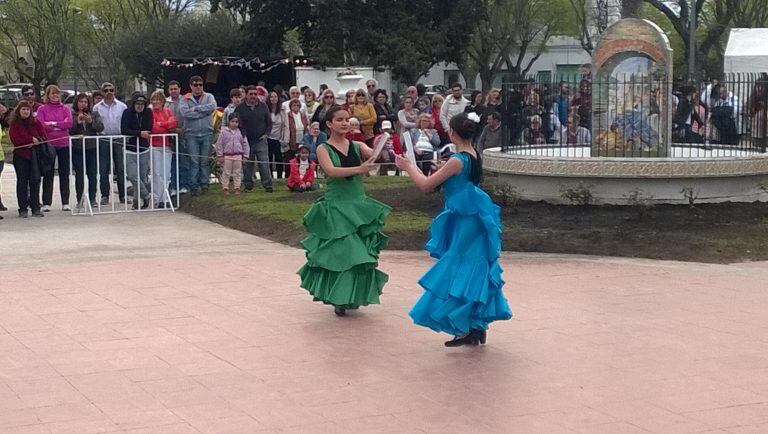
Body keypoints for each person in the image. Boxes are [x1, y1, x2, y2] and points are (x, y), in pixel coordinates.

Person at [395, 112, 512, 347]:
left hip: (465, 218)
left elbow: (426, 185)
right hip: (474, 215)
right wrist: (444, 170)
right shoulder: (472, 154)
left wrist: (408, 166)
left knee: (459, 267)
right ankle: (475, 326)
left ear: (452, 133)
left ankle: (465, 327)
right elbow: (458, 179)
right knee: (474, 267)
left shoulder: (457, 160)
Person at [298, 105, 389, 316]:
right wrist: (360, 169)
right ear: (329, 124)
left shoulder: (357, 145)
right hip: (337, 206)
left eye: (347, 119)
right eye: (339, 119)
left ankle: (352, 295)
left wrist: (382, 149)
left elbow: (376, 156)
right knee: (342, 254)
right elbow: (331, 171)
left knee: (359, 255)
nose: (345, 123)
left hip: (358, 205)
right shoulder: (323, 148)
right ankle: (339, 297)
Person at [37, 84, 74, 212]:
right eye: (52, 93)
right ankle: (47, 202)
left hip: (63, 143)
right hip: (49, 144)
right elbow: (41, 125)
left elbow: (68, 123)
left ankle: (65, 202)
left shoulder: (65, 108)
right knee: (48, 173)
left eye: (57, 93)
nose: (55, 96)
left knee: (64, 173)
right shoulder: (42, 109)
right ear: (48, 95)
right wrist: (59, 125)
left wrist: (52, 123)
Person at [8, 101, 47, 218]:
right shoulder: (15, 124)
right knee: (22, 183)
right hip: (21, 156)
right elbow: (16, 139)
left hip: (35, 156)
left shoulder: (36, 122)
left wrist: (37, 141)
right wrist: (30, 140)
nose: (25, 112)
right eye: (23, 109)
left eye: (27, 109)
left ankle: (35, 208)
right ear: (19, 111)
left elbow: (43, 136)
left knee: (35, 181)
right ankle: (23, 209)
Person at [180, 76, 217, 195]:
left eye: (200, 84)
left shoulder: (209, 96)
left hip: (207, 132)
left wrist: (196, 109)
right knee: (194, 161)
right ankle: (194, 186)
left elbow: (212, 107)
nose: (198, 87)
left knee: (204, 161)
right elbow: (186, 114)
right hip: (191, 134)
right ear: (191, 86)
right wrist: (203, 113)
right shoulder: (185, 99)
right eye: (195, 85)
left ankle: (205, 185)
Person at [93, 82, 127, 205]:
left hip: (118, 139)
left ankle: (123, 196)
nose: (109, 92)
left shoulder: (122, 106)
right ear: (102, 92)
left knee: (120, 169)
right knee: (104, 169)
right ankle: (105, 195)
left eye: (111, 90)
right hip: (103, 139)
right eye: (106, 90)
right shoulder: (97, 107)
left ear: (114, 91)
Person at [69, 93, 104, 212]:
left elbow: (100, 127)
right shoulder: (72, 114)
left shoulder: (94, 113)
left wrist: (90, 122)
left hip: (92, 147)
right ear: (77, 103)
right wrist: (77, 122)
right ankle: (80, 199)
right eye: (81, 102)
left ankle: (93, 198)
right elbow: (69, 130)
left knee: (92, 174)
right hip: (77, 148)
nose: (83, 104)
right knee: (79, 174)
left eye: (85, 102)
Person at [235, 85, 273, 192]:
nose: (253, 96)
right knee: (247, 165)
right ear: (246, 95)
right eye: (251, 94)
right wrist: (243, 137)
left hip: (261, 140)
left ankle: (268, 185)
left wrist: (267, 134)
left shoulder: (263, 106)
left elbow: (269, 122)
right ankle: (248, 186)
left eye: (255, 94)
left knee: (264, 164)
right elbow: (237, 123)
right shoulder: (240, 108)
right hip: (246, 141)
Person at [121, 92, 153, 210]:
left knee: (142, 178)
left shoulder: (148, 112)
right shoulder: (127, 113)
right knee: (133, 176)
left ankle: (136, 202)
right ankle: (146, 195)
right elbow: (124, 129)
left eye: (142, 103)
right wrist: (139, 133)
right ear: (133, 104)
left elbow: (149, 128)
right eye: (137, 103)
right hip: (130, 149)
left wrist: (138, 132)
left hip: (144, 149)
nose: (140, 106)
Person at [149, 90, 178, 208]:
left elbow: (174, 123)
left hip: (167, 145)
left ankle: (165, 198)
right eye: (153, 99)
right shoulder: (149, 112)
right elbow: (153, 127)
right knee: (156, 172)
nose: (155, 102)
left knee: (166, 172)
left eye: (158, 99)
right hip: (154, 145)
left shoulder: (168, 111)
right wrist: (164, 124)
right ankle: (157, 198)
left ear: (162, 102)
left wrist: (161, 124)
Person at [215, 113, 250, 195]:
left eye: (236, 122)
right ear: (229, 122)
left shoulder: (241, 132)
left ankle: (237, 187)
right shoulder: (224, 132)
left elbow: (245, 144)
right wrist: (220, 155)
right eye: (232, 121)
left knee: (237, 172)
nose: (234, 123)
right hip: (227, 155)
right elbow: (219, 144)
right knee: (226, 172)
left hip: (238, 155)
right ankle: (225, 187)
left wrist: (245, 156)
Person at [166, 80, 188, 195]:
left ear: (179, 89)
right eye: (171, 89)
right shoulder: (166, 103)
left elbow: (188, 116)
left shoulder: (185, 100)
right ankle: (173, 186)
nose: (173, 91)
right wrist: (173, 130)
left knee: (184, 161)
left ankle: (184, 185)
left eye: (175, 88)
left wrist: (183, 129)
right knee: (173, 162)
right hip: (171, 136)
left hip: (184, 135)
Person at [283, 98, 308, 177]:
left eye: (297, 105)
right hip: (292, 139)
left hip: (301, 138)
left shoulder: (302, 115)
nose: (296, 107)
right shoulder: (288, 115)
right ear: (290, 106)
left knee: (299, 159)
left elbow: (306, 125)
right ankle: (288, 176)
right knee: (290, 159)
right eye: (294, 105)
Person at [266, 91, 287, 178]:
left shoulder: (282, 110)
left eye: (275, 97)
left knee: (279, 158)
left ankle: (279, 176)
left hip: (279, 138)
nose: (274, 98)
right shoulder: (266, 109)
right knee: (269, 158)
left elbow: (285, 124)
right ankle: (270, 176)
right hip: (268, 137)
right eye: (272, 97)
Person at [749, 78, 768, 151]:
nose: (759, 89)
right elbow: (746, 107)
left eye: (762, 87)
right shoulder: (753, 98)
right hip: (756, 128)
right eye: (757, 86)